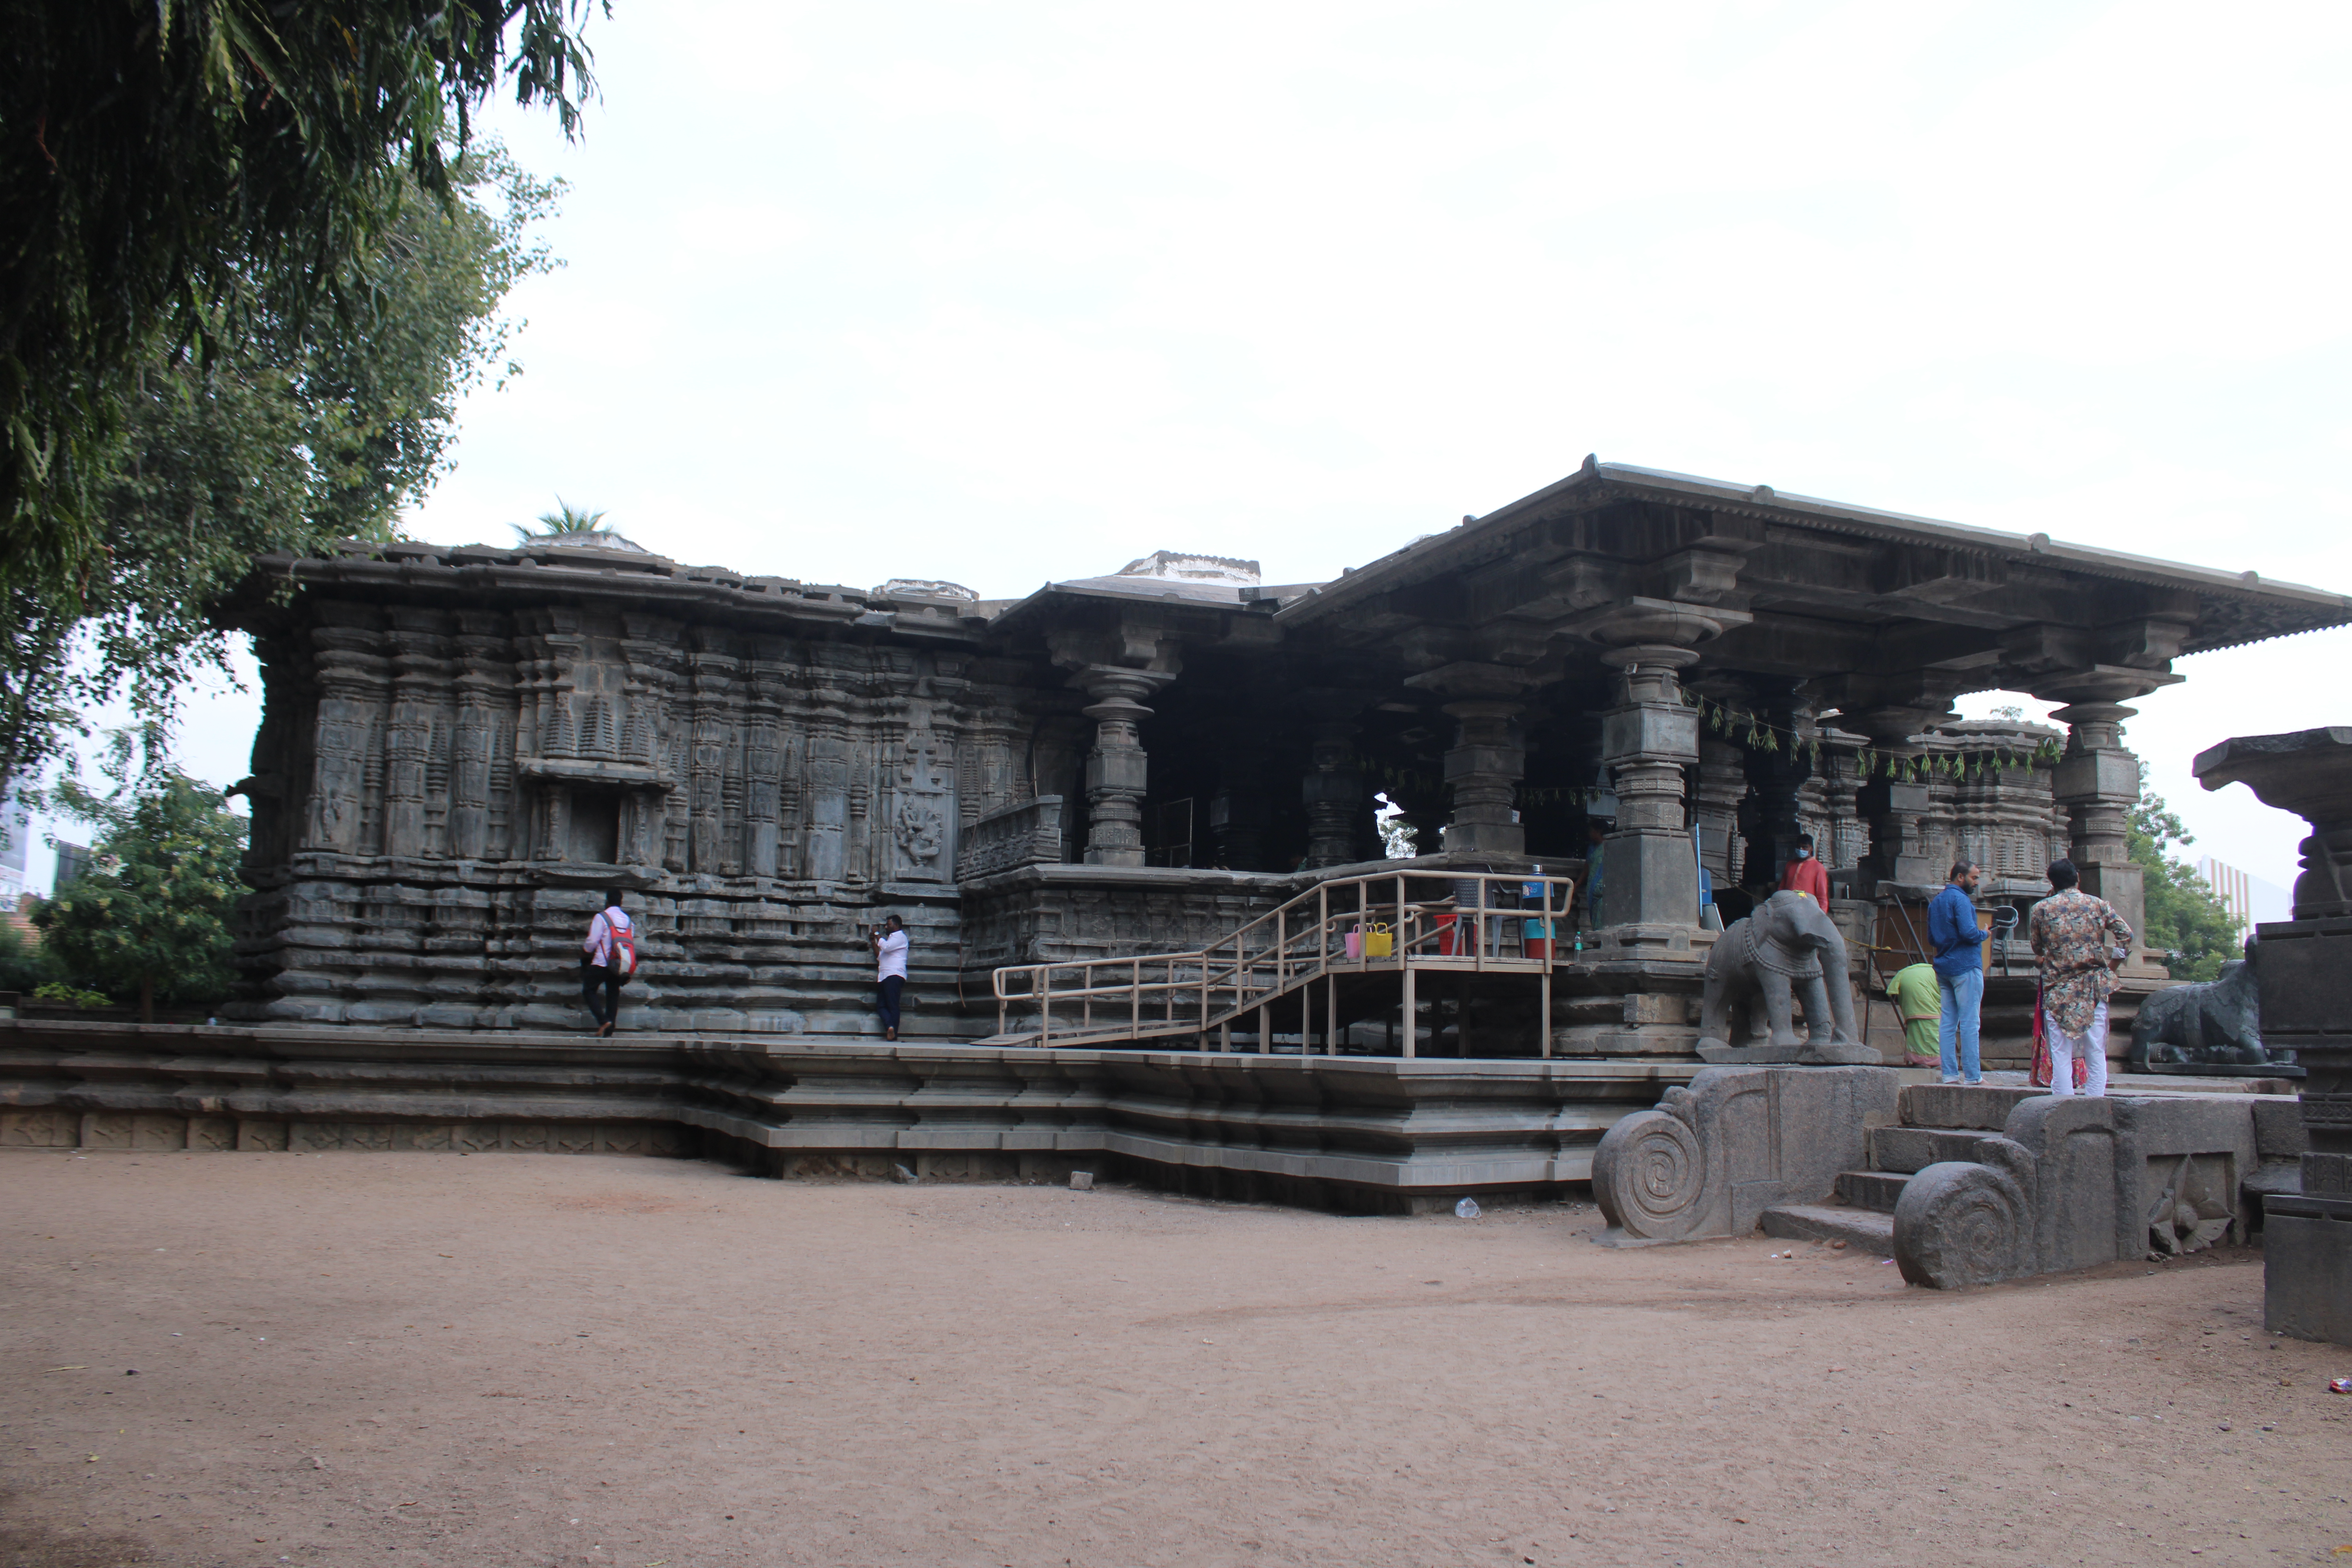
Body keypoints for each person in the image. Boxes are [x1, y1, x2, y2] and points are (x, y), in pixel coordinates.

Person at [2027, 858, 2135, 1098]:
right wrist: (2114, 964)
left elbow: (2037, 948)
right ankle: (2096, 1100)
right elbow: (2126, 935)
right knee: (2096, 1050)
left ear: (2052, 883)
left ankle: (2062, 1104)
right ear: (2078, 878)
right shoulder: (2098, 905)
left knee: (2060, 1052)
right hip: (2093, 987)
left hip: (2058, 990)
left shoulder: (2041, 909)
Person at [1926, 859, 1985, 1085]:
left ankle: (1949, 1074)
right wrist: (1985, 935)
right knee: (1970, 1022)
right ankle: (1973, 1076)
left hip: (1944, 967)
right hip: (1965, 966)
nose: (1976, 883)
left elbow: (1932, 939)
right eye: (1974, 878)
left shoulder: (1937, 901)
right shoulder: (1961, 900)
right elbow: (1969, 933)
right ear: (1961, 877)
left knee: (1948, 1023)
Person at [581, 889, 636, 1038]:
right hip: (620, 964)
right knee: (613, 995)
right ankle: (609, 1031)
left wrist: (585, 952)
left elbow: (592, 942)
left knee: (589, 990)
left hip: (602, 962)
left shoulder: (602, 917)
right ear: (621, 902)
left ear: (607, 902)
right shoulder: (629, 921)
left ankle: (603, 1020)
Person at [1884, 960, 1943, 1068]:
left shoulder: (1935, 970)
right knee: (1932, 1022)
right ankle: (1933, 1061)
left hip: (1909, 980)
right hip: (1921, 986)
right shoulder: (1960, 980)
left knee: (1916, 1025)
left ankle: (1919, 1060)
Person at [869, 913, 909, 1042]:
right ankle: (890, 1028)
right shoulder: (891, 940)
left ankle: (893, 1033)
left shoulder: (900, 937)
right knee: (881, 1006)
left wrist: (877, 934)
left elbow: (886, 947)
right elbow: (880, 957)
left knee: (893, 1005)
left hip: (895, 974)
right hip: (884, 976)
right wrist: (873, 943)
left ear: (896, 925)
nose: (886, 927)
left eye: (889, 925)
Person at [1778, 833, 1831, 904]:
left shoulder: (1818, 867)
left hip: (1807, 908)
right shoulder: (1790, 865)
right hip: (1788, 906)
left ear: (1811, 848)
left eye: (1805, 847)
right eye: (1799, 847)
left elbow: (1822, 895)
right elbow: (1782, 888)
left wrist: (1821, 913)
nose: (1801, 849)